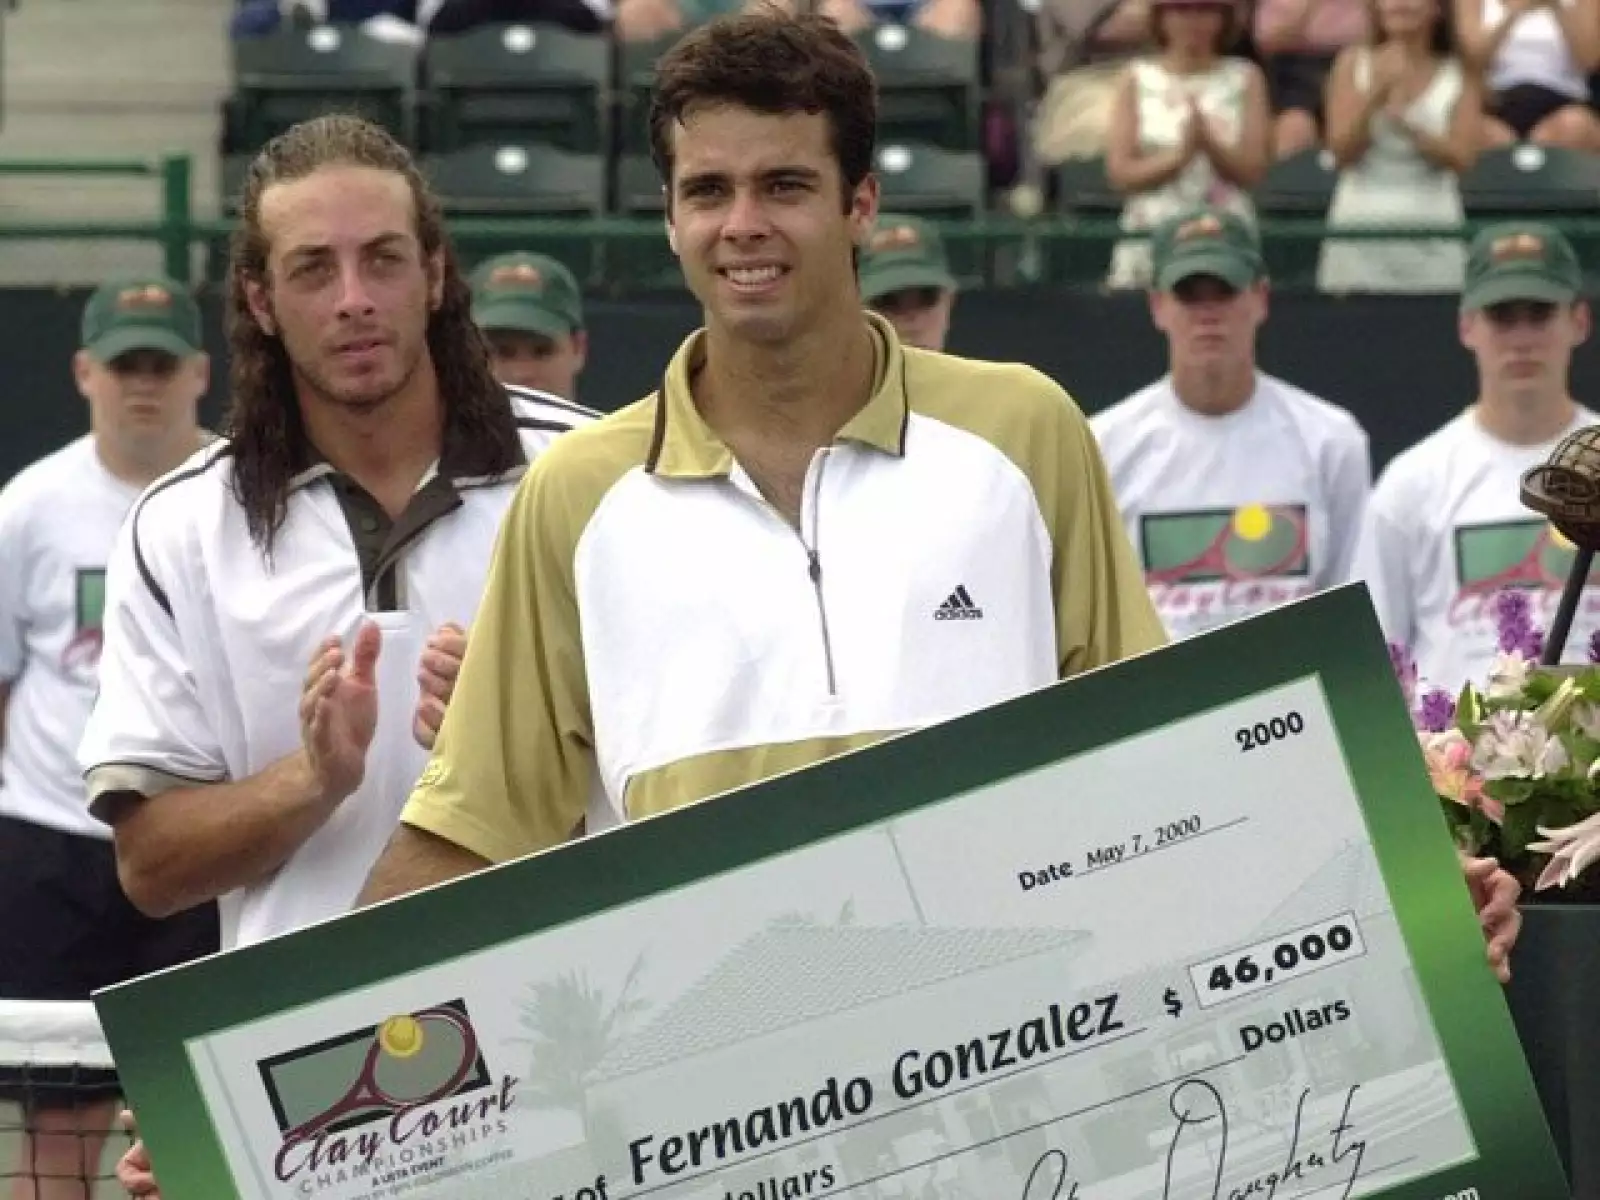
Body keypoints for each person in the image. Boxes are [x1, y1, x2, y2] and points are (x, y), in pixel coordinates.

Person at [355, 7, 1167, 905]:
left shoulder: (1026, 429)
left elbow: (1153, 747)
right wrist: (292, 1021)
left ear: (859, 205)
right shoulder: (574, 495)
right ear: (669, 218)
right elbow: (473, 831)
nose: (742, 224)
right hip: (708, 1034)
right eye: (708, 191)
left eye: (783, 186)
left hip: (1023, 1019)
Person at [87, 110, 597, 1199]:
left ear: (437, 274)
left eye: (383, 259)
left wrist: (531, 739)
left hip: (584, 1049)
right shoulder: (180, 527)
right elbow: (153, 869)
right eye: (314, 269)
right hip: (328, 1103)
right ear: (263, 304)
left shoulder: (592, 475)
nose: (355, 298)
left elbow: (678, 782)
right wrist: (313, 779)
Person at [0, 277, 217, 1200]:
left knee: (191, 1114)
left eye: (161, 364)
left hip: (198, 841)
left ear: (200, 373)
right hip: (54, 844)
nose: (144, 385)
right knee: (57, 1119)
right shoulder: (29, 507)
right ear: (84, 371)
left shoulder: (237, 493)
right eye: (125, 364)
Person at [1092, 206, 1373, 642]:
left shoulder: (1332, 441)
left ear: (1261, 298)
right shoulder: (1104, 446)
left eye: (1224, 291)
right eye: (1189, 293)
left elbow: (1353, 608)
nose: (1208, 313)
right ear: (1157, 305)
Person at [1352, 220, 1596, 698]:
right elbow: (1374, 655)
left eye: (1540, 313)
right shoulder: (1412, 481)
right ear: (1467, 326)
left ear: (1579, 322)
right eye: (1503, 315)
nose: (1522, 338)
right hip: (1455, 766)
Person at [470, 250, 588, 401]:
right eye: (501, 352)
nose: (521, 373)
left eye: (542, 352)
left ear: (578, 348)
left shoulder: (615, 425)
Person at [857, 213, 959, 352]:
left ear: (949, 303)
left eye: (927, 297)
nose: (912, 321)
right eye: (887, 301)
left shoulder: (984, 373)